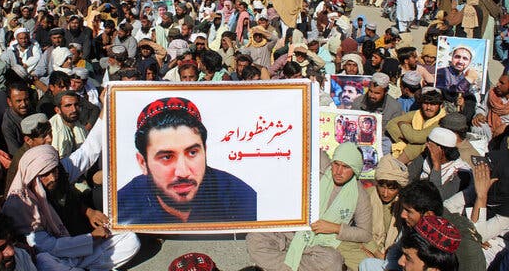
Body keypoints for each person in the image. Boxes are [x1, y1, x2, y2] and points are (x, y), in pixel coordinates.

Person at [117, 97, 257, 224]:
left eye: (192, 153)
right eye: (167, 157)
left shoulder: (239, 197)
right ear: (143, 163)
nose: (183, 172)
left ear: (205, 151)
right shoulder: (123, 204)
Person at [3, 145, 140, 270]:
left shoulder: (59, 179)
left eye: (54, 171)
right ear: (32, 177)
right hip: (57, 257)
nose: (52, 178)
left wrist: (89, 212)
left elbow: (87, 152)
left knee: (130, 239)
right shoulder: (21, 204)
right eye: (45, 174)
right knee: (44, 261)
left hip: (80, 250)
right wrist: (90, 238)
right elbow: (47, 246)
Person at [247, 143, 371, 271]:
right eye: (336, 164)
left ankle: (285, 265)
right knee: (255, 237)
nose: (338, 171)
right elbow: (306, 142)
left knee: (332, 261)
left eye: (345, 167)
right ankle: (289, 266)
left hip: (318, 245)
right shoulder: (324, 169)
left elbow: (365, 234)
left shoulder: (359, 195)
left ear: (355, 169)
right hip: (293, 233)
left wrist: (335, 228)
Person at [387, 88, 447, 164]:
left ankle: (396, 166)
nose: (428, 108)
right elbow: (391, 124)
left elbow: (416, 137)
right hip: (408, 148)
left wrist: (403, 124)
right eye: (425, 104)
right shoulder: (417, 114)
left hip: (431, 154)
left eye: (433, 104)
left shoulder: (442, 120)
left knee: (418, 145)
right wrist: (407, 141)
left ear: (440, 106)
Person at [1, 82, 33, 156]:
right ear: (9, 102)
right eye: (19, 101)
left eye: (26, 100)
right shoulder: (8, 124)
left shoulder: (31, 111)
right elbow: (15, 153)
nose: (24, 104)